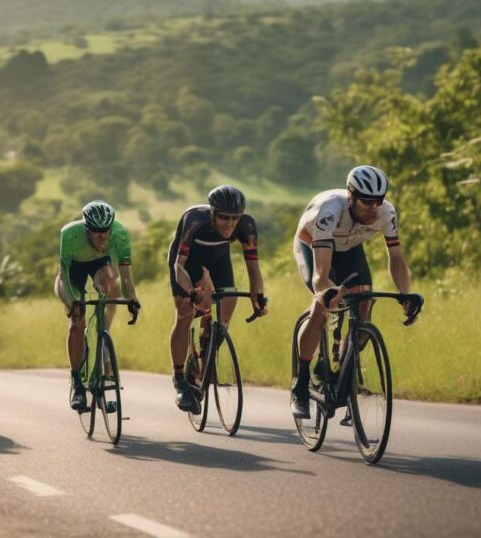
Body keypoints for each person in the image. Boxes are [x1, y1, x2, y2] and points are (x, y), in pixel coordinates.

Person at [290, 165, 416, 420]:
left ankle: (343, 378)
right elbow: (320, 275)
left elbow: (396, 257)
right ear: (351, 196)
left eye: (378, 201)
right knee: (321, 307)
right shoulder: (329, 211)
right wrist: (327, 293)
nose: (374, 208)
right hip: (313, 246)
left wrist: (405, 294)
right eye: (367, 202)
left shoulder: (387, 212)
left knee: (364, 306)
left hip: (350, 250)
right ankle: (300, 384)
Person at [167, 185, 267, 414]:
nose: (230, 224)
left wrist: (258, 296)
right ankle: (180, 379)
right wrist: (191, 292)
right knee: (185, 313)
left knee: (223, 317)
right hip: (186, 263)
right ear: (212, 213)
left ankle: (204, 359)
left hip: (219, 260)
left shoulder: (247, 225)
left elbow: (254, 269)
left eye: (235, 218)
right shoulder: (195, 219)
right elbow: (179, 266)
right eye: (223, 217)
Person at [54, 200, 140, 412]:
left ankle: (101, 335)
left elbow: (126, 275)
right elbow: (64, 274)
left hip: (99, 266)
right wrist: (74, 303)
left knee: (112, 281)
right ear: (87, 229)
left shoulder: (120, 234)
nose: (102, 236)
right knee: (77, 320)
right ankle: (77, 382)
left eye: (105, 231)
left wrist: (132, 299)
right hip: (71, 273)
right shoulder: (69, 234)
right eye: (96, 231)